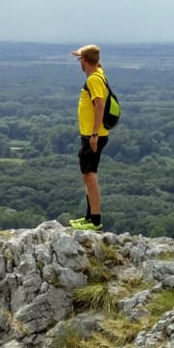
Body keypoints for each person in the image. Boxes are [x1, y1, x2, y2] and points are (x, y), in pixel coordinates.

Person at [69, 44, 110, 231]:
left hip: (93, 135)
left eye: (81, 59)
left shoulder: (93, 80)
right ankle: (89, 218)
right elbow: (96, 61)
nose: (79, 62)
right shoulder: (99, 73)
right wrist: (85, 53)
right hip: (93, 135)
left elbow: (100, 105)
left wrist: (93, 135)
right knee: (87, 175)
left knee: (90, 176)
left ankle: (94, 220)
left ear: (85, 61)